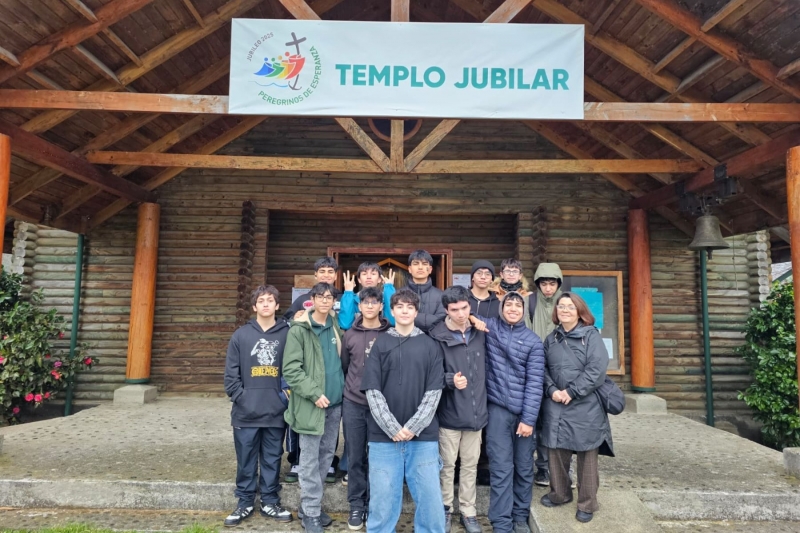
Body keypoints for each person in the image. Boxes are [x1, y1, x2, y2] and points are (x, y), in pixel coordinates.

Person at [361, 288, 446, 533]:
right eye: (400, 306)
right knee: (382, 501)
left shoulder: (430, 346)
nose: (405, 311)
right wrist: (392, 428)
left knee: (430, 501)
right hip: (383, 438)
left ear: (416, 311)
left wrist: (412, 427)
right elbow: (372, 390)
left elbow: (434, 392)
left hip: (423, 438)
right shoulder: (381, 343)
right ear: (392, 310)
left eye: (410, 307)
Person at [540, 292, 614, 524]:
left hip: (585, 404)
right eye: (561, 307)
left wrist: (571, 392)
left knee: (586, 455)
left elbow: (597, 370)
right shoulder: (551, 339)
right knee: (556, 451)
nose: (564, 310)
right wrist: (552, 390)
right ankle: (560, 493)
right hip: (556, 402)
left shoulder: (591, 336)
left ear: (580, 311)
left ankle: (587, 502)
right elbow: (542, 370)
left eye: (570, 307)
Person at [473, 292, 544, 533]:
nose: (513, 308)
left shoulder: (533, 341)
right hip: (497, 412)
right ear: (501, 308)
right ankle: (501, 523)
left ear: (524, 310)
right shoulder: (490, 327)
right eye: (508, 304)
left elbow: (536, 384)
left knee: (524, 468)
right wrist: (474, 320)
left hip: (523, 414)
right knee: (501, 469)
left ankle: (520, 517)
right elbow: (462, 313)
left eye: (518, 305)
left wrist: (528, 419)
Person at [223, 285, 293, 526]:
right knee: (246, 459)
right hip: (245, 412)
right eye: (261, 300)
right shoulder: (241, 335)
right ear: (254, 307)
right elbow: (231, 375)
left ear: (276, 305)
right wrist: (241, 397)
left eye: (270, 300)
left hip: (276, 410)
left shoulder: (288, 334)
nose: (265, 304)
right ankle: (244, 503)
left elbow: (293, 370)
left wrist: (284, 398)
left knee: (273, 458)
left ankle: (270, 502)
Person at [282, 282, 345, 533]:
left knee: (326, 455)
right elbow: (291, 370)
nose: (325, 301)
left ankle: (313, 506)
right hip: (311, 404)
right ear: (312, 299)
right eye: (321, 296)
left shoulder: (335, 324)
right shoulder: (299, 330)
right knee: (309, 459)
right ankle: (310, 512)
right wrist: (314, 393)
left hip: (335, 402)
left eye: (330, 297)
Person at [430, 286, 488, 533]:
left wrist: (478, 320)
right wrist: (450, 380)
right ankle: (444, 508)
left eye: (465, 308)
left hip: (477, 415)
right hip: (450, 414)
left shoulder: (480, 331)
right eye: (455, 309)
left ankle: (468, 511)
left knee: (470, 465)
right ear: (446, 310)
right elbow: (429, 375)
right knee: (447, 466)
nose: (461, 313)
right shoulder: (437, 336)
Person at [283, 257, 340, 484]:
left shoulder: (342, 301)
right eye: (322, 271)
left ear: (335, 275)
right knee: (305, 428)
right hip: (308, 379)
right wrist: (296, 318)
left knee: (328, 435)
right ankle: (297, 460)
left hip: (333, 385)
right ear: (315, 275)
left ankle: (329, 463)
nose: (326, 275)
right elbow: (289, 318)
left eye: (330, 271)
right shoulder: (302, 301)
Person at [340, 286, 391, 530]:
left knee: (379, 459)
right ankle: (356, 505)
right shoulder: (349, 334)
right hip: (354, 403)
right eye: (365, 302)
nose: (370, 306)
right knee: (356, 457)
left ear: (382, 306)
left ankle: (375, 504)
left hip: (382, 406)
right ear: (359, 306)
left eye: (374, 302)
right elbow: (345, 366)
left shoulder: (390, 333)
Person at [529, 263, 564, 487]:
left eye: (552, 283)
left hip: (561, 374)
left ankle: (562, 469)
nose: (548, 288)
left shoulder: (566, 303)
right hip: (534, 370)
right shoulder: (529, 303)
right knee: (539, 424)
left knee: (560, 423)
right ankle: (542, 468)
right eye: (544, 283)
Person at [339, 262, 397, 330]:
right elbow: (345, 324)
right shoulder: (352, 299)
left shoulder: (385, 298)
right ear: (359, 279)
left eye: (373, 274)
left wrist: (389, 288)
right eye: (364, 274)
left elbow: (393, 321)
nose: (369, 277)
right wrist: (348, 293)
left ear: (379, 279)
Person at [406, 249, 446, 332]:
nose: (420, 267)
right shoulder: (399, 294)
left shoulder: (441, 295)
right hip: (405, 340)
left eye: (424, 264)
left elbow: (441, 320)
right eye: (416, 264)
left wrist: (411, 317)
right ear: (409, 269)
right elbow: (394, 319)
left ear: (430, 269)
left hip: (433, 341)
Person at [488, 259, 532, 329]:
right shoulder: (492, 294)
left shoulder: (527, 296)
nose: (511, 274)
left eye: (515, 271)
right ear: (501, 274)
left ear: (520, 275)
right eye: (507, 271)